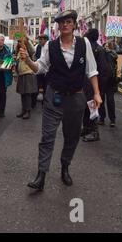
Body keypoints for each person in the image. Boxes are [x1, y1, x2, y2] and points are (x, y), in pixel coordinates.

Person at [19, 10, 102, 191]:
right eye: (62, 22)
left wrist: (96, 93)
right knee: (47, 137)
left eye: (69, 21)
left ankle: (65, 166)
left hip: (77, 98)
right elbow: (40, 67)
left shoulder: (84, 43)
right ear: (58, 25)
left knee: (71, 136)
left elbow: (92, 70)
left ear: (74, 25)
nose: (65, 24)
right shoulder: (50, 45)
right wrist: (28, 61)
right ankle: (41, 175)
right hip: (54, 97)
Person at [15, 36, 37, 119]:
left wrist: (27, 39)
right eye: (19, 42)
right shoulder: (18, 52)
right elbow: (17, 64)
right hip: (21, 74)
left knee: (27, 94)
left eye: (22, 41)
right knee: (22, 93)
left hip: (28, 73)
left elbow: (33, 50)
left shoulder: (29, 51)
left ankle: (28, 111)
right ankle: (23, 110)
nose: (20, 43)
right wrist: (16, 74)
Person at [99, 42, 119, 127]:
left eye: (107, 46)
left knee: (110, 101)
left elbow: (118, 68)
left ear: (111, 47)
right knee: (101, 101)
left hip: (110, 81)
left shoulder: (113, 55)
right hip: (103, 81)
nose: (106, 48)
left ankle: (112, 119)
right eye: (105, 46)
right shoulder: (103, 55)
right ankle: (102, 118)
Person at [34, 34, 48, 103]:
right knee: (38, 83)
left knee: (46, 86)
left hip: (47, 71)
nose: (40, 41)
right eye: (39, 39)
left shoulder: (49, 47)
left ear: (45, 40)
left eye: (41, 39)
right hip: (39, 69)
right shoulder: (38, 47)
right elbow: (36, 56)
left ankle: (45, 100)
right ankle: (39, 95)